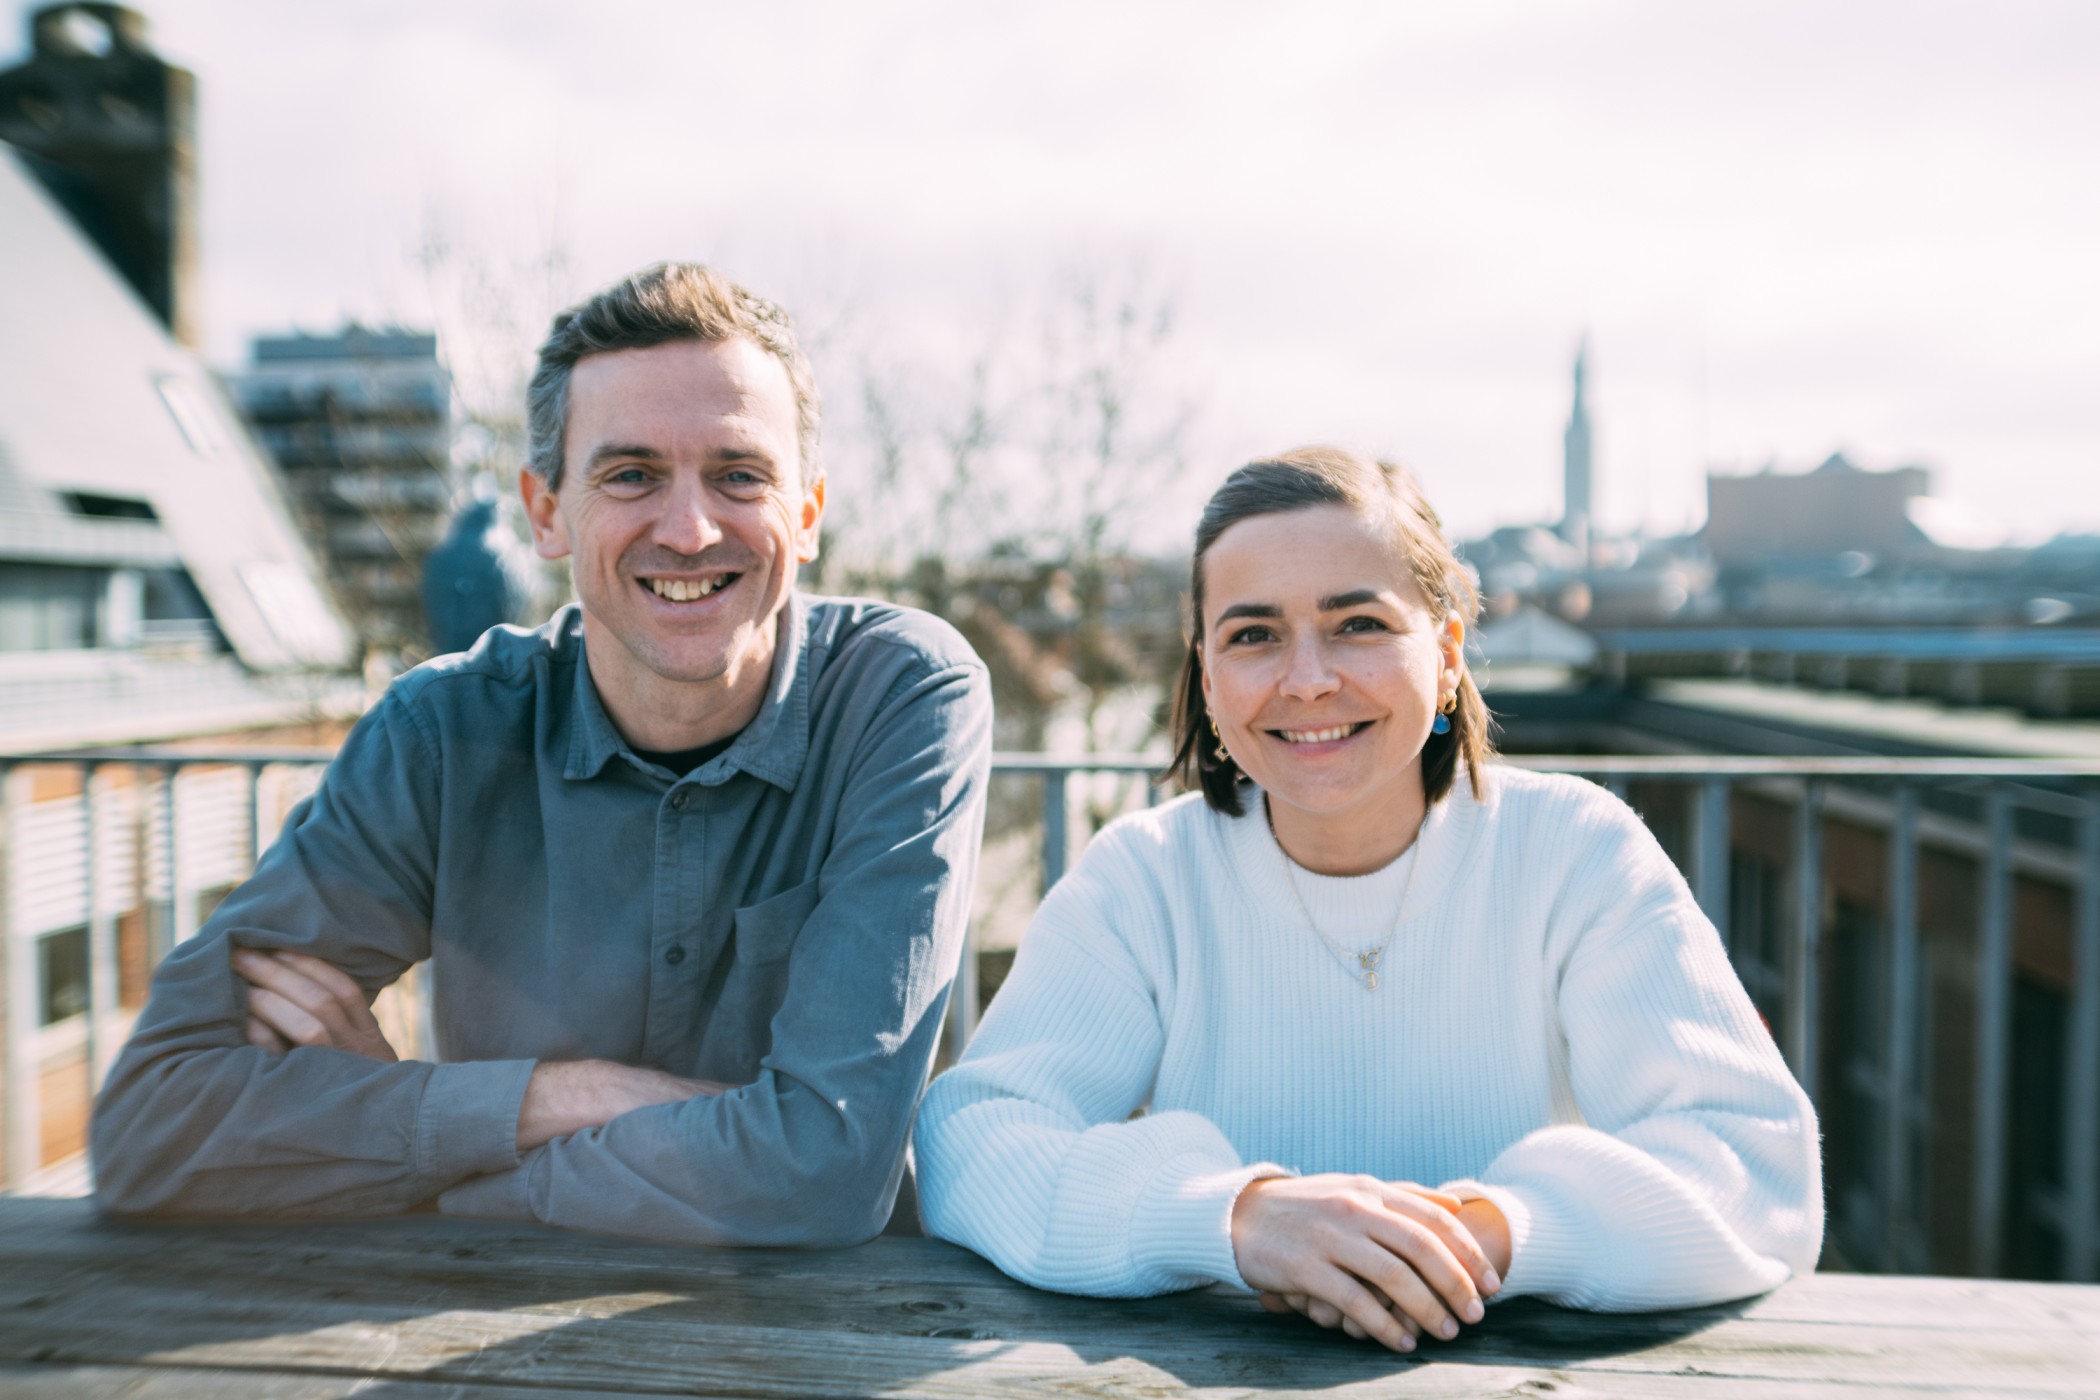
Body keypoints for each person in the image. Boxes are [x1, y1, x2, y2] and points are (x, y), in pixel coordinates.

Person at [91, 263, 993, 1246]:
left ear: (808, 513)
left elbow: (823, 1173)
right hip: (479, 1338)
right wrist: (573, 1094)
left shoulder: (902, 696)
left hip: (831, 1341)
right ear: (546, 510)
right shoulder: (439, 734)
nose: (689, 528)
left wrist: (425, 1134)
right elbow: (150, 1125)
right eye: (631, 474)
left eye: (739, 473)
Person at [913, 446, 1822, 1351]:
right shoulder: (1143, 878)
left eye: (1357, 625)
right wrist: (1241, 1219)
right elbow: (975, 1142)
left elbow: (1757, 1168)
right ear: (1207, 675)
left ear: (1449, 651)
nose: (1307, 678)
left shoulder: (1576, 853)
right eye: (1253, 635)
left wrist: (1469, 1240)